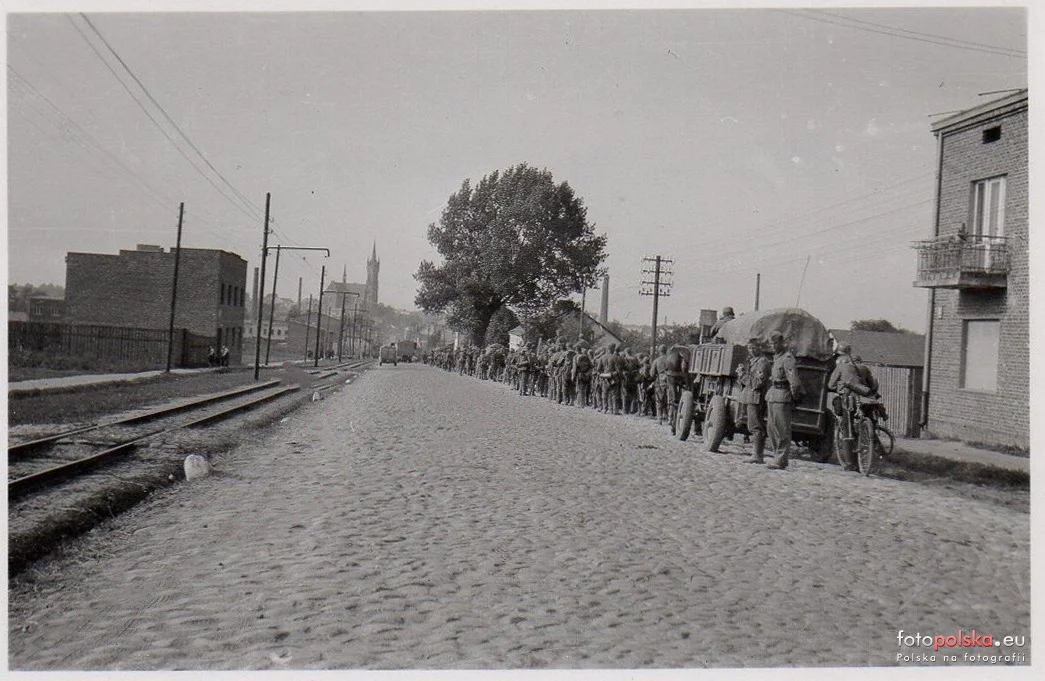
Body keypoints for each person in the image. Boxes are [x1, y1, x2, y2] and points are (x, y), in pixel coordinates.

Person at [828, 343, 880, 471]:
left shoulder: (841, 367)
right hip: (865, 400)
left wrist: (838, 388)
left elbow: (830, 385)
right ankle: (871, 452)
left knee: (847, 429)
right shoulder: (863, 367)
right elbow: (873, 386)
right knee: (867, 423)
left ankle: (850, 463)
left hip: (849, 399)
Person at [765, 331, 803, 470]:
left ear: (782, 343)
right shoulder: (777, 358)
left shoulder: (787, 358)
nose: (773, 346)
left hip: (782, 396)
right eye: (771, 343)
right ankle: (777, 456)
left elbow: (795, 382)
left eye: (775, 343)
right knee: (771, 428)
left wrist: (794, 397)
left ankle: (781, 459)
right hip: (773, 395)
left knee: (782, 429)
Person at [738, 337, 772, 464]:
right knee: (753, 425)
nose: (751, 351)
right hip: (751, 397)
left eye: (754, 348)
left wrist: (743, 375)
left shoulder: (762, 363)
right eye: (749, 348)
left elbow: (757, 383)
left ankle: (757, 455)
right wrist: (741, 375)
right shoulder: (753, 361)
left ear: (760, 348)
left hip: (756, 398)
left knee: (755, 425)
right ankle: (756, 454)